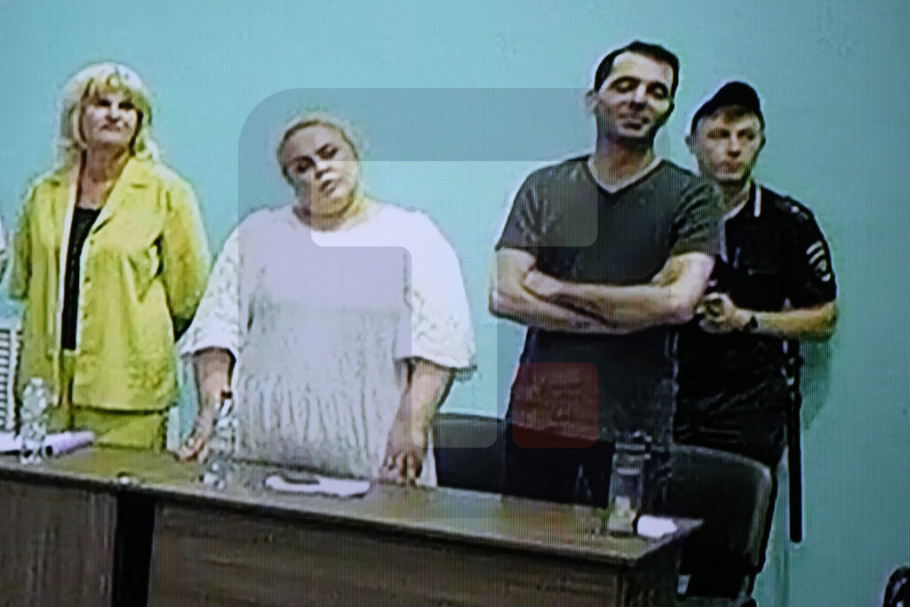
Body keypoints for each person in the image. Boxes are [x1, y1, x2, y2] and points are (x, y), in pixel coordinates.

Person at [178, 112, 475, 484]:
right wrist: (210, 407)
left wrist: (413, 424)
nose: (320, 169)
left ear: (354, 153)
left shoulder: (412, 235)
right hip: (262, 454)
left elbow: (438, 342)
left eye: (329, 153)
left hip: (376, 454)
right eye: (302, 166)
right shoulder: (258, 235)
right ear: (290, 180)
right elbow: (216, 329)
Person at [489, 41, 723, 508]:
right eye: (625, 86)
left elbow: (678, 302)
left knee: (627, 551)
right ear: (593, 99)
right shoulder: (546, 187)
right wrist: (625, 314)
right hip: (539, 419)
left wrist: (556, 288)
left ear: (668, 109)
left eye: (656, 92)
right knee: (525, 549)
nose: (639, 100)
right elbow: (505, 294)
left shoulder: (692, 197)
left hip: (633, 427)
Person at [674, 81, 838, 595]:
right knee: (651, 552)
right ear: (692, 142)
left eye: (745, 136)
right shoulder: (665, 213)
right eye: (719, 135)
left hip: (745, 414)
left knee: (727, 565)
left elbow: (824, 317)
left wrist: (747, 320)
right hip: (667, 404)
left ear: (761, 143)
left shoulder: (788, 223)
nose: (732, 148)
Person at [9, 63, 212, 450]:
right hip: (46, 390)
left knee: (120, 490)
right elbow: (24, 280)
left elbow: (189, 296)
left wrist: (136, 340)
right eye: (102, 103)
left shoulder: (167, 193)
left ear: (140, 121)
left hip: (128, 393)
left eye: (127, 107)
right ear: (77, 116)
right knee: (38, 489)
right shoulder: (43, 193)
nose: (115, 115)